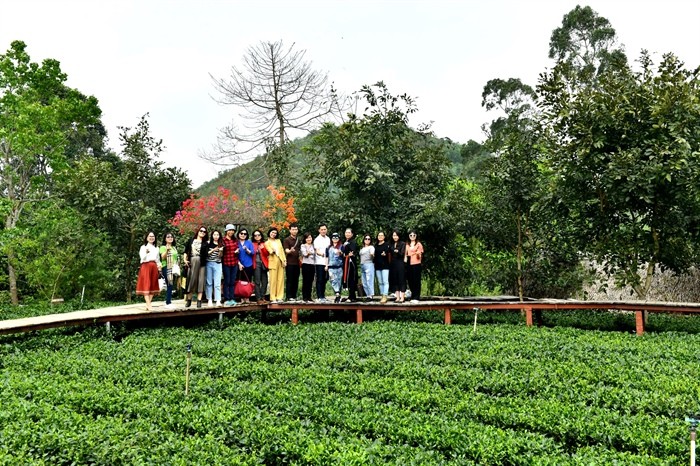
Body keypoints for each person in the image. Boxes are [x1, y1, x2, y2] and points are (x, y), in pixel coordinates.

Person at [183, 226, 209, 308]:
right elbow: (186, 251)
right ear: (198, 231)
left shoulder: (205, 243)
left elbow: (207, 254)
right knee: (191, 280)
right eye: (201, 231)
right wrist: (185, 260)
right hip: (192, 261)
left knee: (201, 280)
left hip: (202, 263)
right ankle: (189, 300)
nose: (202, 232)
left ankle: (199, 301)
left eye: (204, 232)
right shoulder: (191, 240)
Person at [136, 231, 161, 311]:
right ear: (146, 238)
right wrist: (146, 252)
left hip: (154, 266)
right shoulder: (143, 247)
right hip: (146, 266)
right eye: (150, 236)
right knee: (146, 284)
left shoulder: (156, 248)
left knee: (153, 284)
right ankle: (149, 304)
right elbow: (142, 258)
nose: (151, 238)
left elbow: (157, 259)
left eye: (153, 236)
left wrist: (159, 266)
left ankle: (148, 304)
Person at [265, 227, 286, 303]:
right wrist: (272, 250)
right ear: (269, 233)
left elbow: (282, 251)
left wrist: (284, 260)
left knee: (280, 279)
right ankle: (273, 297)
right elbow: (270, 251)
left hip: (280, 260)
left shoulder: (278, 241)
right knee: (273, 280)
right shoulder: (267, 242)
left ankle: (279, 297)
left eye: (275, 233)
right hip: (273, 261)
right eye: (272, 232)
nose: (273, 234)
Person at [159, 232, 179, 309]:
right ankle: (168, 302)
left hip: (173, 267)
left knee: (171, 284)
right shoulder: (163, 247)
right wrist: (167, 250)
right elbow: (163, 257)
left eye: (171, 237)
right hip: (166, 266)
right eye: (168, 237)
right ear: (165, 239)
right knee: (169, 284)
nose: (170, 238)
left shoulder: (174, 248)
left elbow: (176, 258)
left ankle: (169, 301)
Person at [205, 229, 224, 307]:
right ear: (212, 235)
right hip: (209, 263)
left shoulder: (221, 244)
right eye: (214, 235)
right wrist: (213, 250)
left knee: (217, 282)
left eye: (217, 235)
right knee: (209, 282)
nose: (216, 236)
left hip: (218, 264)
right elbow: (206, 254)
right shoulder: (208, 243)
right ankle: (209, 299)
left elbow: (220, 256)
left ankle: (218, 300)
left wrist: (220, 251)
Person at [222, 223, 239, 306]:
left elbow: (237, 248)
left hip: (234, 263)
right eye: (229, 230)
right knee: (227, 281)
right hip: (226, 262)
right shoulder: (223, 240)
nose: (231, 232)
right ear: (226, 231)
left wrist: (237, 251)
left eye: (232, 230)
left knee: (232, 281)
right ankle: (226, 298)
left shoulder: (235, 240)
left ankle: (232, 298)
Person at [236, 228, 255, 303]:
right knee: (240, 281)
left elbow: (252, 253)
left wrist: (247, 249)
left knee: (248, 281)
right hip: (239, 264)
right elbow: (234, 255)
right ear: (238, 234)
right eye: (241, 233)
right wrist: (239, 264)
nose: (243, 235)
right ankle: (241, 297)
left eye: (245, 234)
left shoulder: (249, 242)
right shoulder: (236, 243)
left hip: (248, 264)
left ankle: (247, 297)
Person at [313, 223, 331, 302]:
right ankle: (319, 296)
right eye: (322, 230)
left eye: (324, 229)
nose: (323, 231)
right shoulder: (317, 240)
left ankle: (323, 295)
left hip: (327, 262)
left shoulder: (328, 239)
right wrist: (323, 254)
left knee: (325, 279)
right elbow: (317, 251)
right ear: (319, 230)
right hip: (319, 262)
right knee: (320, 279)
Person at [283, 223, 301, 301]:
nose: (294, 231)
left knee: (296, 280)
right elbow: (286, 250)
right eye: (293, 229)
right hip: (290, 263)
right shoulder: (287, 240)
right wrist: (290, 251)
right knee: (290, 280)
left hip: (297, 263)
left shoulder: (298, 240)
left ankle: (294, 296)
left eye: (296, 229)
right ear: (290, 230)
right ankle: (289, 296)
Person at [405, 230, 424, 302]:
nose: (412, 236)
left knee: (416, 280)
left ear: (416, 236)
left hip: (416, 263)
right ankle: (413, 295)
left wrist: (417, 254)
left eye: (414, 235)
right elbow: (405, 255)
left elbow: (419, 254)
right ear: (409, 236)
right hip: (409, 263)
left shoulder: (419, 244)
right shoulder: (407, 244)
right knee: (410, 280)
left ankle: (417, 297)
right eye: (411, 235)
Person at [251, 229, 270, 304]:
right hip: (256, 264)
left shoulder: (264, 244)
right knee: (257, 282)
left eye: (258, 235)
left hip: (263, 264)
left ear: (261, 236)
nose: (257, 236)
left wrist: (263, 248)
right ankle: (258, 298)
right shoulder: (252, 244)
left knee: (265, 281)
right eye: (255, 235)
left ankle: (262, 296)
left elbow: (267, 254)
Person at [341, 228, 359, 302]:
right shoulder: (346, 242)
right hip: (346, 261)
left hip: (351, 262)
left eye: (349, 232)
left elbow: (352, 252)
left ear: (352, 234)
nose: (347, 234)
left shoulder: (352, 242)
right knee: (348, 278)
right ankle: (351, 296)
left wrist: (349, 254)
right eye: (346, 232)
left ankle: (352, 296)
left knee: (351, 278)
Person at [389, 230, 406, 303]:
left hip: (400, 263)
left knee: (401, 279)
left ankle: (402, 297)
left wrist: (397, 251)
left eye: (396, 235)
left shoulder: (403, 243)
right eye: (393, 235)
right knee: (395, 279)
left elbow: (402, 254)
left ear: (399, 236)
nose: (395, 237)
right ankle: (397, 297)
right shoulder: (391, 244)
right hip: (393, 263)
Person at [326, 232, 344, 303]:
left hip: (339, 266)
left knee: (339, 281)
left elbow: (344, 255)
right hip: (331, 267)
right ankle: (337, 293)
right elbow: (327, 257)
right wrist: (326, 265)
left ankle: (338, 295)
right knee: (332, 280)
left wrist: (341, 253)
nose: (335, 239)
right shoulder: (328, 247)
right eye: (333, 237)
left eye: (336, 237)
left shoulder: (342, 246)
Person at [374, 231, 391, 304]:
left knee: (385, 281)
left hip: (385, 266)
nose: (380, 236)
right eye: (379, 235)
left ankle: (385, 295)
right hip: (377, 266)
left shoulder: (387, 244)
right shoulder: (375, 245)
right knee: (380, 282)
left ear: (384, 237)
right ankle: (382, 295)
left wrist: (385, 253)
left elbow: (389, 252)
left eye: (382, 235)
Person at [299, 232, 316, 302]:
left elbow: (314, 253)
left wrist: (309, 252)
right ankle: (305, 297)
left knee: (311, 281)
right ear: (305, 239)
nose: (309, 239)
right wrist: (310, 252)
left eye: (310, 237)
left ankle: (309, 297)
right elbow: (305, 254)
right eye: (307, 238)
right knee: (306, 280)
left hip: (312, 264)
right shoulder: (303, 245)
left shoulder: (313, 245)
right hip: (305, 264)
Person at [359, 234, 375, 301]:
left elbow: (372, 254)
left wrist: (372, 255)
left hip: (369, 264)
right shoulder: (362, 248)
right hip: (362, 265)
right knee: (364, 282)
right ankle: (368, 295)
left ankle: (371, 295)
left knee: (369, 281)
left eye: (369, 239)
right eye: (366, 239)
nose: (367, 240)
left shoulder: (371, 247)